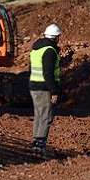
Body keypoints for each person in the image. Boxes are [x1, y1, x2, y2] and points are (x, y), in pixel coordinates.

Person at [29, 23, 62, 154]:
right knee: (46, 117)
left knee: (39, 115)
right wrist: (54, 91)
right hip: (43, 87)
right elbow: (48, 73)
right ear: (56, 37)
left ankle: (36, 143)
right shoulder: (49, 51)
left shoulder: (36, 49)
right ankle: (39, 147)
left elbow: (31, 68)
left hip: (34, 86)